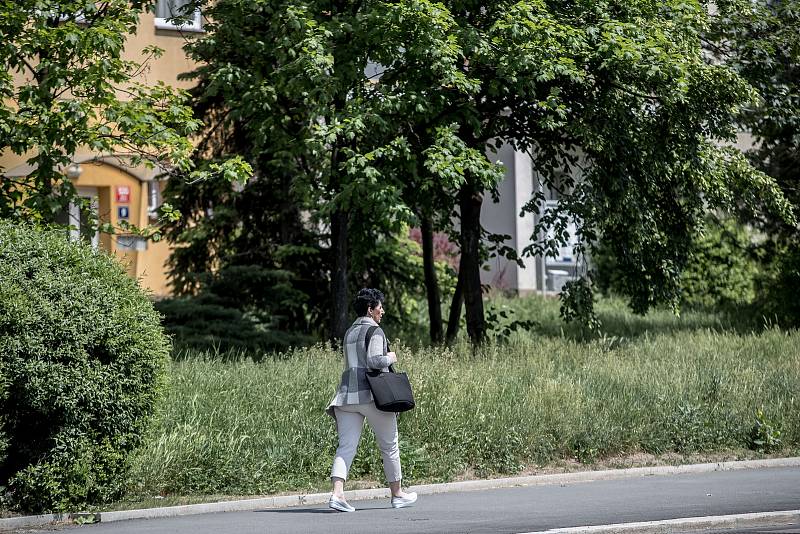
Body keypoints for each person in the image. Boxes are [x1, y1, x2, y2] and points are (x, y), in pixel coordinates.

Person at [325, 288, 418, 513]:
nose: (382, 311)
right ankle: (397, 494)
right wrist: (391, 357)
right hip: (372, 396)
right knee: (389, 446)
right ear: (370, 309)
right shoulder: (375, 331)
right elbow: (375, 361)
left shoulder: (349, 332)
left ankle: (337, 494)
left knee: (346, 446)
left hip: (347, 396)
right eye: (379, 307)